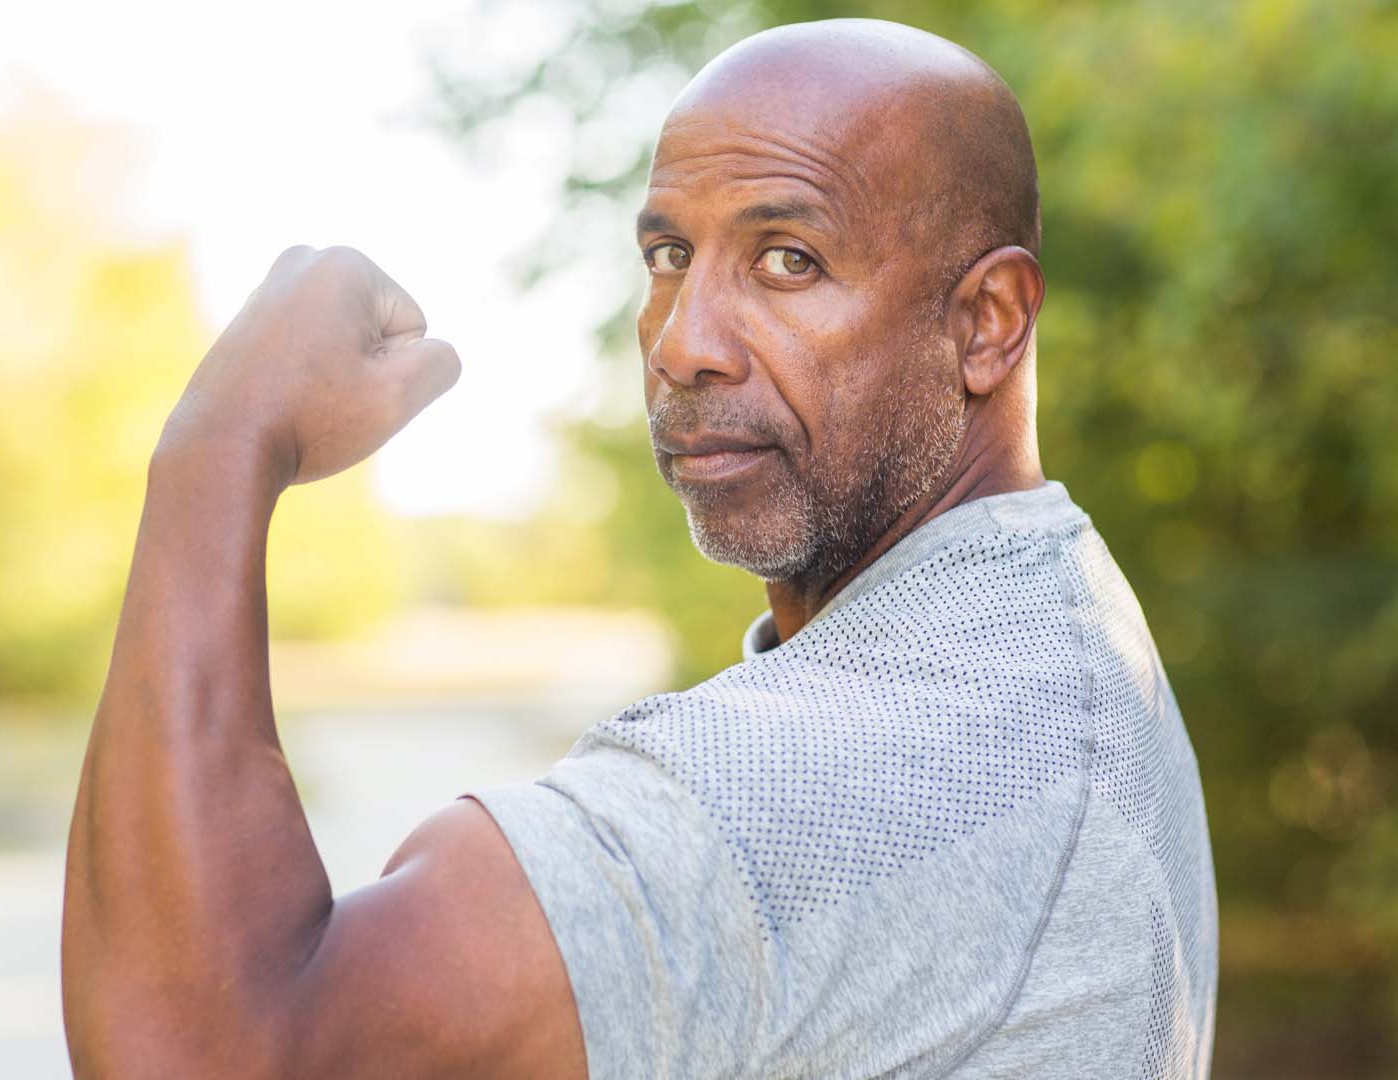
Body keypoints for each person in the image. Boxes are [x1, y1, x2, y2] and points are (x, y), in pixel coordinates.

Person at [60, 16, 1217, 1079]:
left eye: (787, 260)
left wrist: (216, 447)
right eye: (669, 255)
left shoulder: (898, 745)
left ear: (987, 324)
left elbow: (209, 1044)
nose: (684, 344)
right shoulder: (1054, 618)